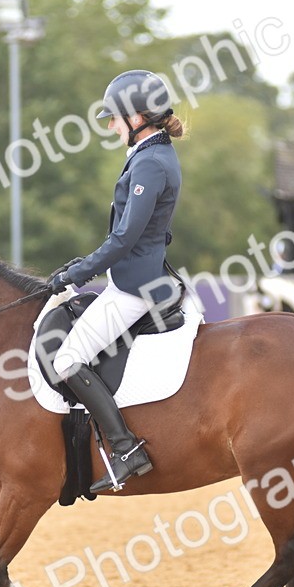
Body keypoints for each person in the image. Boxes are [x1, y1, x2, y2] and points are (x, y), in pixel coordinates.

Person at [45, 69, 184, 492]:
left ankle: (125, 449)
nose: (110, 125)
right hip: (138, 275)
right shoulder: (150, 156)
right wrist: (85, 263)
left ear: (138, 116)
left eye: (114, 118)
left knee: (66, 360)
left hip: (133, 286)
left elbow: (125, 237)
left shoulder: (151, 163)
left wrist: (78, 273)